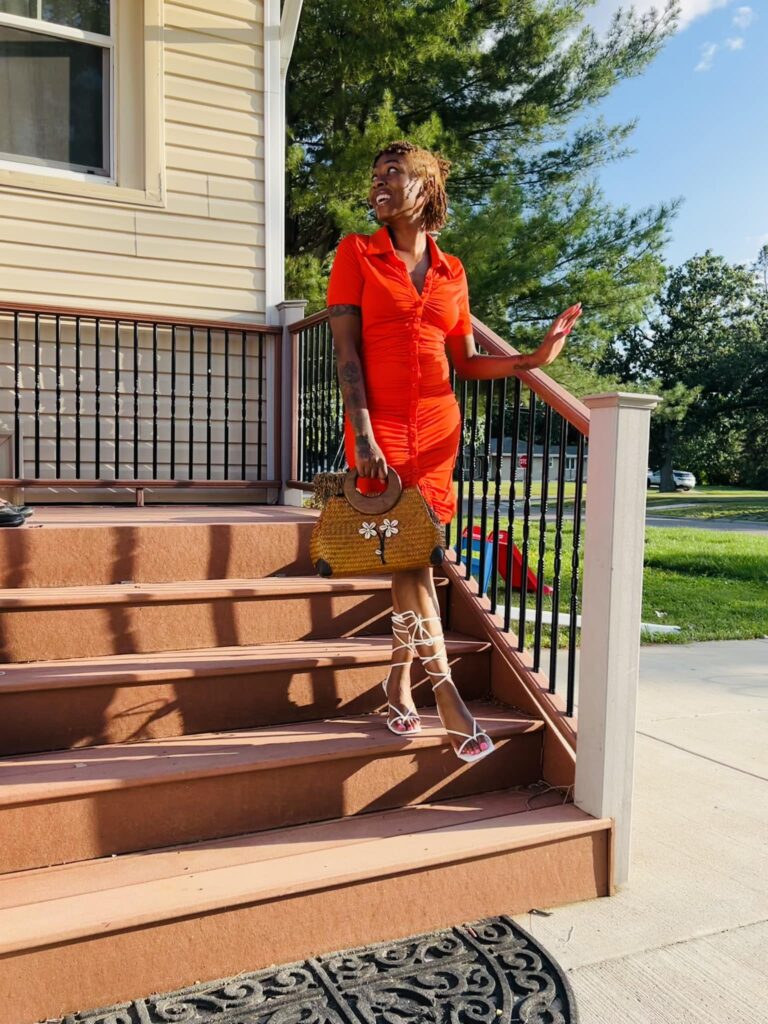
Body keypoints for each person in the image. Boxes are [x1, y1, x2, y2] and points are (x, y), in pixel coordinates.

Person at [327, 140, 580, 764]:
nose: (380, 181)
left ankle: (395, 689)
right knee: (410, 564)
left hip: (439, 431)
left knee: (420, 563)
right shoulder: (356, 253)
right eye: (375, 172)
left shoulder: (452, 272)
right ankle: (446, 699)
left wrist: (533, 360)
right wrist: (363, 434)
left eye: (395, 172)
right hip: (379, 429)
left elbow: (465, 359)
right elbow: (346, 355)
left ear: (426, 190)